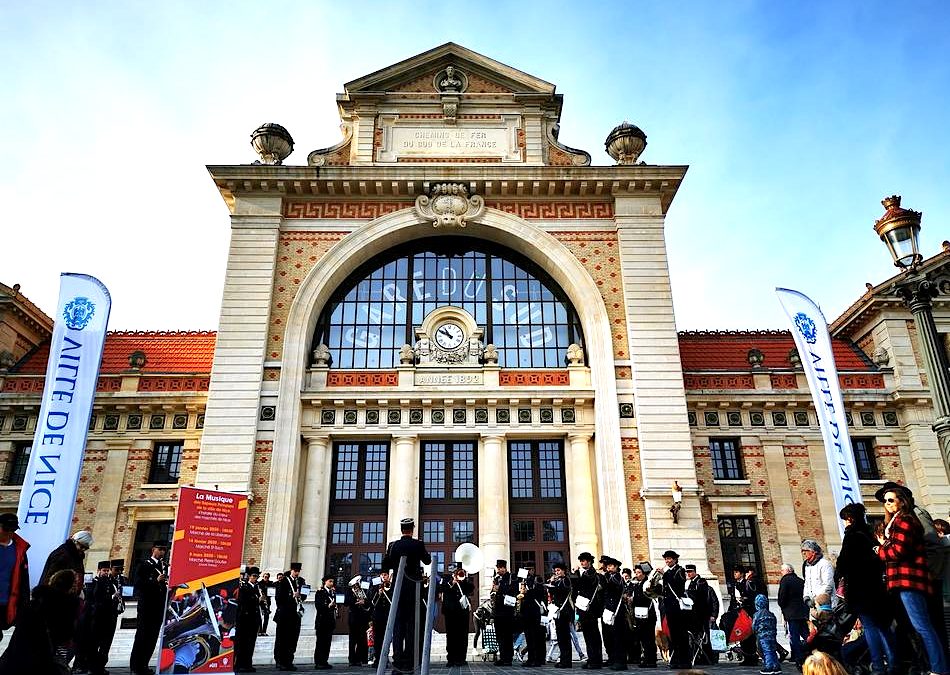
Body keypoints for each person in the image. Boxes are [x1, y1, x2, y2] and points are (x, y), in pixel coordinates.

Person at [876, 486, 948, 675]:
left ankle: (939, 668)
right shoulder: (896, 521)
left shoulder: (906, 519)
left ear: (902, 500)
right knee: (919, 626)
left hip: (910, 580)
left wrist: (880, 549)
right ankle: (932, 666)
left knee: (923, 626)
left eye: (891, 500)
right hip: (904, 580)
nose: (887, 504)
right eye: (885, 501)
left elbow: (897, 552)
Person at [835, 502, 895, 675]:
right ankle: (894, 663)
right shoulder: (871, 534)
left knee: (870, 627)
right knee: (884, 627)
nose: (845, 524)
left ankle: (878, 666)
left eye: (845, 520)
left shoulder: (852, 535)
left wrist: (839, 576)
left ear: (850, 519)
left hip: (860, 589)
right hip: (877, 587)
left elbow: (843, 562)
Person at [0, 568, 80, 674]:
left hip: (18, 658)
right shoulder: (65, 606)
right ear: (71, 586)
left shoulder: (35, 602)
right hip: (43, 659)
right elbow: (65, 636)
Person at [382, 517, 430, 673]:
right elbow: (428, 561)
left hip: (398, 589)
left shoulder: (393, 545)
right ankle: (409, 663)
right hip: (414, 589)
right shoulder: (418, 544)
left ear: (401, 529)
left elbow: (386, 564)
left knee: (398, 627)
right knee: (412, 627)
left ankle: (397, 663)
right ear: (412, 529)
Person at [130, 540, 168, 675]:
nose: (162, 552)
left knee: (152, 638)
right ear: (153, 549)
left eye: (164, 549)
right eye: (160, 549)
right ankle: (135, 666)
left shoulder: (165, 566)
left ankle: (144, 665)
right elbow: (138, 584)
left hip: (158, 607)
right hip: (146, 606)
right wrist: (155, 581)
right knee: (141, 637)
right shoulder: (144, 564)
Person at [85, 560, 122, 675]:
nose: (106, 573)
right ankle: (92, 667)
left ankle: (101, 666)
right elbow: (93, 598)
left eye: (107, 570)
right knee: (95, 643)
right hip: (97, 617)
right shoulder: (93, 582)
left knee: (106, 643)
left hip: (110, 616)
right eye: (104, 571)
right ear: (99, 571)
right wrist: (111, 597)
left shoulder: (112, 582)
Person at [0, 513, 30, 646]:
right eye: (6, 529)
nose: (9, 533)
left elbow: (23, 580)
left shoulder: (19, 549)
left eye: (13, 530)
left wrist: (24, 604)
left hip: (6, 602)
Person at [574, 552, 603, 669]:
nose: (582, 562)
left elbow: (584, 584)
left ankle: (596, 660)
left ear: (589, 561)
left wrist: (576, 574)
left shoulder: (592, 573)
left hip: (591, 609)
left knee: (593, 635)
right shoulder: (583, 573)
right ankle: (592, 659)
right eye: (581, 560)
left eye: (584, 560)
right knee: (587, 635)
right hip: (583, 608)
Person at [440, 564, 474, 666]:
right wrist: (452, 582)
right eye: (457, 571)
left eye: (460, 571)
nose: (459, 573)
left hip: (462, 612)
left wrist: (466, 578)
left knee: (462, 635)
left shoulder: (465, 581)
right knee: (451, 635)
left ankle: (461, 658)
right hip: (450, 612)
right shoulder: (446, 578)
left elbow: (471, 589)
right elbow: (442, 588)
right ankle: (451, 659)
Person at [274, 561, 305, 671]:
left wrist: (301, 595)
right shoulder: (284, 581)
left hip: (295, 615)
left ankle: (289, 661)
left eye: (298, 571)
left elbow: (305, 595)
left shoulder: (301, 581)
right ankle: (281, 661)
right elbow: (279, 598)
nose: (297, 573)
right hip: (285, 614)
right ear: (291, 570)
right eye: (295, 571)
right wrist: (291, 596)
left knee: (293, 638)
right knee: (283, 638)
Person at [661, 550, 690, 669]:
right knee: (673, 634)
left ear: (675, 559)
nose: (667, 561)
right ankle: (675, 659)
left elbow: (677, 584)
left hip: (678, 607)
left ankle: (685, 661)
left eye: (669, 559)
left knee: (682, 634)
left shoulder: (680, 570)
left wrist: (664, 574)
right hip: (669, 607)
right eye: (666, 559)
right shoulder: (668, 572)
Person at [777, 563, 809, 664]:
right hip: (802, 611)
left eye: (782, 571)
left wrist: (781, 605)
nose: (781, 573)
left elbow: (782, 596)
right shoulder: (800, 580)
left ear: (787, 570)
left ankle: (798, 656)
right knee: (805, 633)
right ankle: (813, 650)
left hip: (791, 612)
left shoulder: (785, 580)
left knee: (794, 635)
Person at [627, 564, 657, 668]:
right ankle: (646, 658)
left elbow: (646, 597)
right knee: (643, 639)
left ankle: (651, 660)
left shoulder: (648, 584)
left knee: (649, 638)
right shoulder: (636, 584)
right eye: (636, 572)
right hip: (639, 614)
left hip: (648, 614)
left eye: (639, 573)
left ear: (644, 573)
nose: (637, 575)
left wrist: (633, 599)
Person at [601, 556, 629, 670]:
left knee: (618, 637)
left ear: (616, 567)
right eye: (607, 566)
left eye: (611, 566)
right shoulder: (607, 577)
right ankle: (612, 658)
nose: (609, 568)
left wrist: (606, 577)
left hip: (617, 612)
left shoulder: (618, 578)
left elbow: (614, 585)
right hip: (608, 610)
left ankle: (621, 661)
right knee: (609, 637)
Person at [234, 566, 263, 673]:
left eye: (257, 576)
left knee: (251, 643)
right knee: (242, 643)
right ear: (249, 576)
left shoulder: (257, 587)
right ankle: (240, 664)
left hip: (254, 619)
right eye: (254, 576)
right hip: (245, 619)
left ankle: (248, 664)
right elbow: (244, 601)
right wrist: (257, 599)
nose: (256, 578)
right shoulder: (244, 587)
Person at [491, 558, 517, 667]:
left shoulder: (511, 577)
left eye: (500, 568)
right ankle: (502, 656)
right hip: (498, 611)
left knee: (507, 635)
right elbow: (494, 592)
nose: (498, 570)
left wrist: (499, 589)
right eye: (497, 568)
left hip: (507, 611)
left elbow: (513, 590)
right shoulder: (497, 579)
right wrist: (493, 591)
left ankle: (508, 658)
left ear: (504, 568)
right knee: (499, 635)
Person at [549, 561, 574, 669]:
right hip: (558, 612)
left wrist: (553, 584)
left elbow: (562, 591)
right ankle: (563, 658)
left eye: (558, 570)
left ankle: (567, 661)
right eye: (555, 571)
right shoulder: (559, 581)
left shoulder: (566, 580)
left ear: (563, 570)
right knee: (560, 637)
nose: (557, 572)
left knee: (565, 637)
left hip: (565, 612)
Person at [520, 564, 547, 667]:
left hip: (535, 612)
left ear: (532, 570)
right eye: (525, 569)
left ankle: (537, 659)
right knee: (529, 637)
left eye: (528, 569)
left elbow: (540, 593)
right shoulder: (523, 580)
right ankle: (531, 658)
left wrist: (528, 591)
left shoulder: (537, 579)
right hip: (526, 612)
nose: (526, 571)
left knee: (536, 637)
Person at [800, 540, 835, 609]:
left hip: (827, 604)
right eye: (802, 551)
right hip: (814, 606)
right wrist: (806, 597)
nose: (804, 553)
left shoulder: (824, 564)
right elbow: (807, 584)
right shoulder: (807, 566)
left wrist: (816, 599)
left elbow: (828, 585)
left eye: (806, 550)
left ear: (813, 552)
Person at [313, 575, 337, 670]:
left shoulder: (332, 592)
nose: (332, 583)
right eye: (330, 581)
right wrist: (328, 606)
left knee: (327, 642)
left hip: (330, 621)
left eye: (332, 581)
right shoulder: (320, 592)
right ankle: (318, 662)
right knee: (320, 642)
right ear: (325, 582)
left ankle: (324, 661)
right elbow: (318, 606)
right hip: (322, 621)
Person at [753, 593, 781, 675]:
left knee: (766, 651)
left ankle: (769, 667)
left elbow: (754, 626)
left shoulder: (757, 615)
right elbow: (774, 624)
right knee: (773, 651)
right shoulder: (771, 614)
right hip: (772, 636)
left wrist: (755, 632)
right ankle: (776, 666)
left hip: (762, 637)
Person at [346, 575, 370, 666]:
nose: (356, 585)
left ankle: (359, 658)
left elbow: (369, 601)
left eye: (358, 583)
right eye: (355, 584)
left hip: (363, 618)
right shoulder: (349, 591)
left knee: (362, 639)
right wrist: (356, 601)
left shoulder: (364, 590)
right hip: (353, 618)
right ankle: (352, 660)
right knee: (352, 640)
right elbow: (346, 602)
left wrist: (364, 602)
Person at [370, 570, 393, 666]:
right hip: (378, 616)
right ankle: (378, 659)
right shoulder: (375, 587)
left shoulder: (391, 586)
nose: (384, 577)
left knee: (387, 638)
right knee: (378, 638)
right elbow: (372, 603)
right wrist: (378, 593)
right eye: (382, 575)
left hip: (388, 615)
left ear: (388, 576)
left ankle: (385, 657)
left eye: (386, 575)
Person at [258, 572, 274, 636]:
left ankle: (264, 631)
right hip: (260, 602)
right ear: (263, 577)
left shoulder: (271, 583)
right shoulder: (259, 583)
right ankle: (260, 631)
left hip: (267, 601)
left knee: (266, 617)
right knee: (260, 617)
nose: (266, 578)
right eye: (265, 577)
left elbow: (272, 592)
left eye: (267, 577)